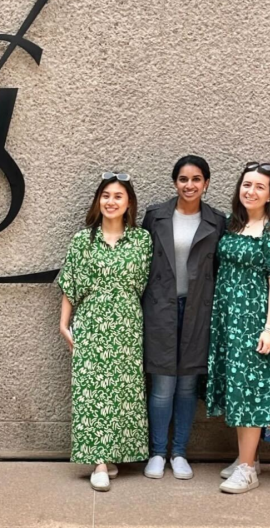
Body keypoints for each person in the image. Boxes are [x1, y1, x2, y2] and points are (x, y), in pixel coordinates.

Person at [58, 171, 152, 492]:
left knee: (122, 391)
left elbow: (148, 286)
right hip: (91, 321)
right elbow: (70, 283)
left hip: (127, 324)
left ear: (128, 203)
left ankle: (111, 454)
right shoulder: (83, 240)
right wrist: (63, 324)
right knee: (92, 390)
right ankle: (98, 461)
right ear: (99, 200)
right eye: (106, 196)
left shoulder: (142, 240)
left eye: (118, 196)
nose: (111, 202)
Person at [142, 155, 226, 481]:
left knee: (188, 385)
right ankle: (157, 452)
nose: (189, 185)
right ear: (174, 182)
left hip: (198, 311)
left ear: (206, 183)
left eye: (196, 179)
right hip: (161, 308)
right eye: (183, 179)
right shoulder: (155, 217)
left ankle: (179, 452)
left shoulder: (217, 222)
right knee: (163, 384)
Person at [207, 162, 270, 494]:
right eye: (247, 184)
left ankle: (247, 470)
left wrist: (269, 328)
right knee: (237, 387)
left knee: (250, 391)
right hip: (228, 320)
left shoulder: (269, 230)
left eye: (260, 186)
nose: (251, 191)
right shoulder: (236, 225)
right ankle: (248, 457)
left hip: (253, 320)